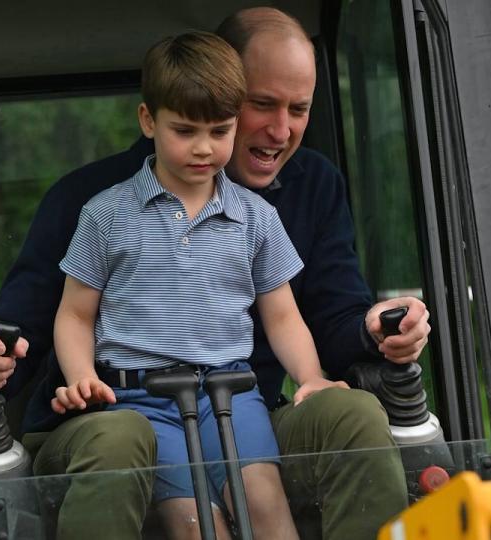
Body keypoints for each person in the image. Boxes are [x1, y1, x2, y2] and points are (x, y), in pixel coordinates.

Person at [0, 7, 431, 539]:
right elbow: (35, 322)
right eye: (263, 104)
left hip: (241, 406)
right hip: (123, 412)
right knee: (128, 448)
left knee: (353, 416)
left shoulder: (303, 192)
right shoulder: (95, 204)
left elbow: (316, 315)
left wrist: (371, 329)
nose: (281, 130)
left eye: (299, 109)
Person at [51, 30, 346, 539]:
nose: (204, 149)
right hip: (142, 400)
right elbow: (75, 314)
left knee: (266, 508)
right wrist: (81, 376)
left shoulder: (256, 216)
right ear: (149, 121)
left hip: (232, 392)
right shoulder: (105, 214)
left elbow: (282, 315)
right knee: (193, 525)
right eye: (185, 131)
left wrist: (312, 377)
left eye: (220, 131)